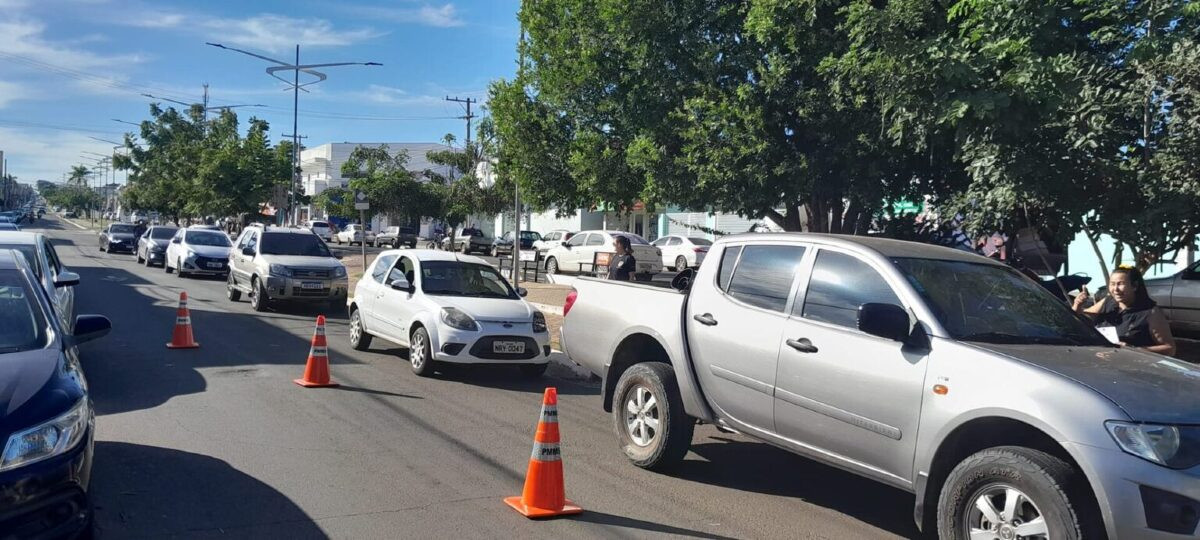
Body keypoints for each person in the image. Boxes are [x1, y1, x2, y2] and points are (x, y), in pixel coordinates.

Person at [1073, 266, 1176, 356]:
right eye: (1112, 284)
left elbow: (1170, 349)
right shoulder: (1108, 301)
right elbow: (1078, 319)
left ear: (1134, 286)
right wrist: (1077, 305)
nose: (1115, 289)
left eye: (1120, 284)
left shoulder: (1151, 312)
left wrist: (1133, 350)